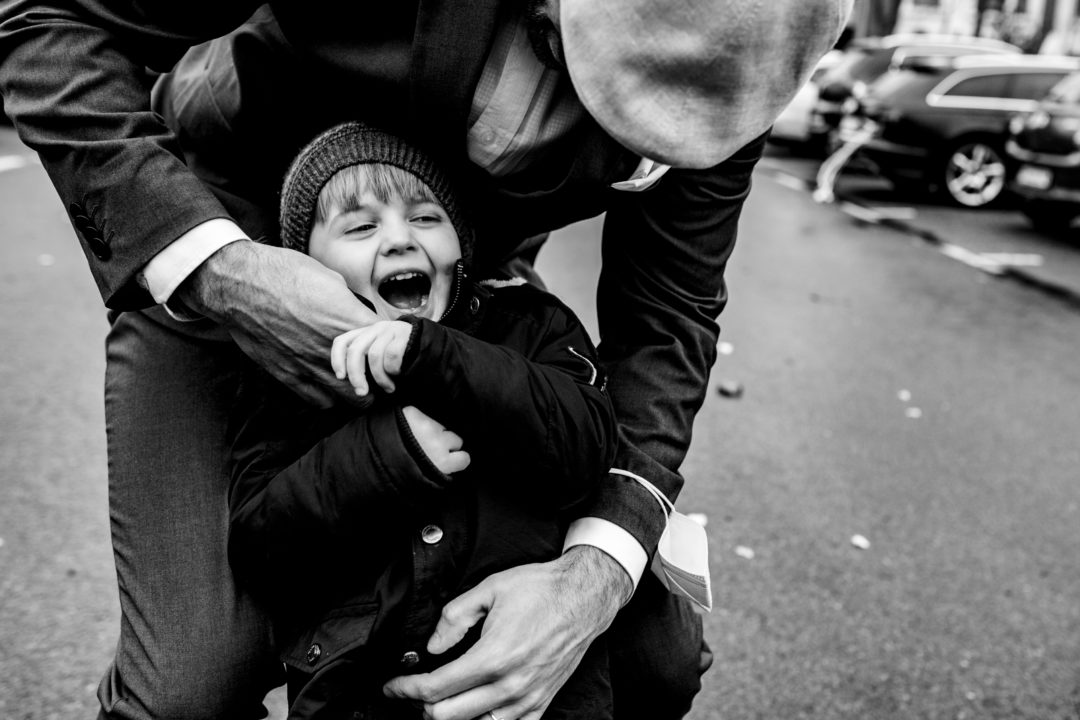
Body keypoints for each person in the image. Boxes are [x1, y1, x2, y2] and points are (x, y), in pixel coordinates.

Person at [0, 1, 852, 719]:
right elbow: (47, 22)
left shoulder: (744, 63)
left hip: (464, 276)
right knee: (188, 688)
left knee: (655, 650)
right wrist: (220, 270)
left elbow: (666, 319)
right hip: (230, 229)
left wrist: (591, 579)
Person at [227, 121, 617, 719]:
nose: (398, 240)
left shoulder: (529, 324)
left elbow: (585, 447)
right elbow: (261, 545)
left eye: (426, 218)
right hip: (361, 690)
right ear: (306, 264)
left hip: (540, 689)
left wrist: (433, 353)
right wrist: (387, 455)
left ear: (462, 244)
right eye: (360, 227)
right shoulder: (291, 374)